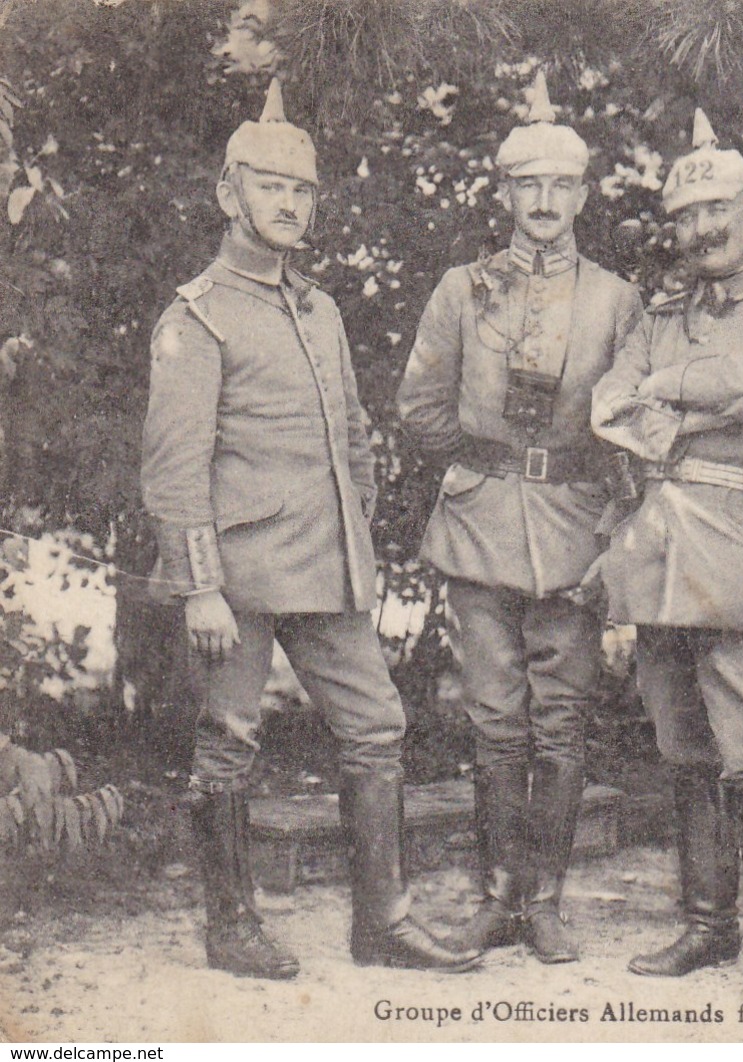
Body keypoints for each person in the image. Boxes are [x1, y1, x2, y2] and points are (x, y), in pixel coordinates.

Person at [141, 79, 478, 979]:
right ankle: (231, 925)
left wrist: (351, 527)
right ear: (228, 195)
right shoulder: (200, 314)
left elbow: (353, 436)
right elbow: (174, 469)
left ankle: (382, 921)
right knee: (228, 741)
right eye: (271, 187)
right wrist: (201, 586)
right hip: (239, 580)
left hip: (325, 569)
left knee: (377, 726)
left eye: (303, 191)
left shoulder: (317, 307)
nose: (289, 205)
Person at [395, 72, 643, 963]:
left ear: (582, 195)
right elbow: (420, 406)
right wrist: (484, 463)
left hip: (576, 523)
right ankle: (499, 894)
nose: (543, 202)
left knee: (563, 718)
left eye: (560, 186)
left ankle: (547, 898)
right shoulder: (462, 290)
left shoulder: (616, 300)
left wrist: (609, 522)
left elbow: (635, 425)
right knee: (493, 716)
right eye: (526, 185)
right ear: (504, 193)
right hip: (479, 522)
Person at [590, 109, 743, 1004]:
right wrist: (665, 397)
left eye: (717, 211)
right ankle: (705, 926)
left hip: (737, 552)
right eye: (685, 218)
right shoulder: (657, 316)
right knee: (683, 751)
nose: (701, 230)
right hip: (656, 552)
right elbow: (606, 405)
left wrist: (661, 395)